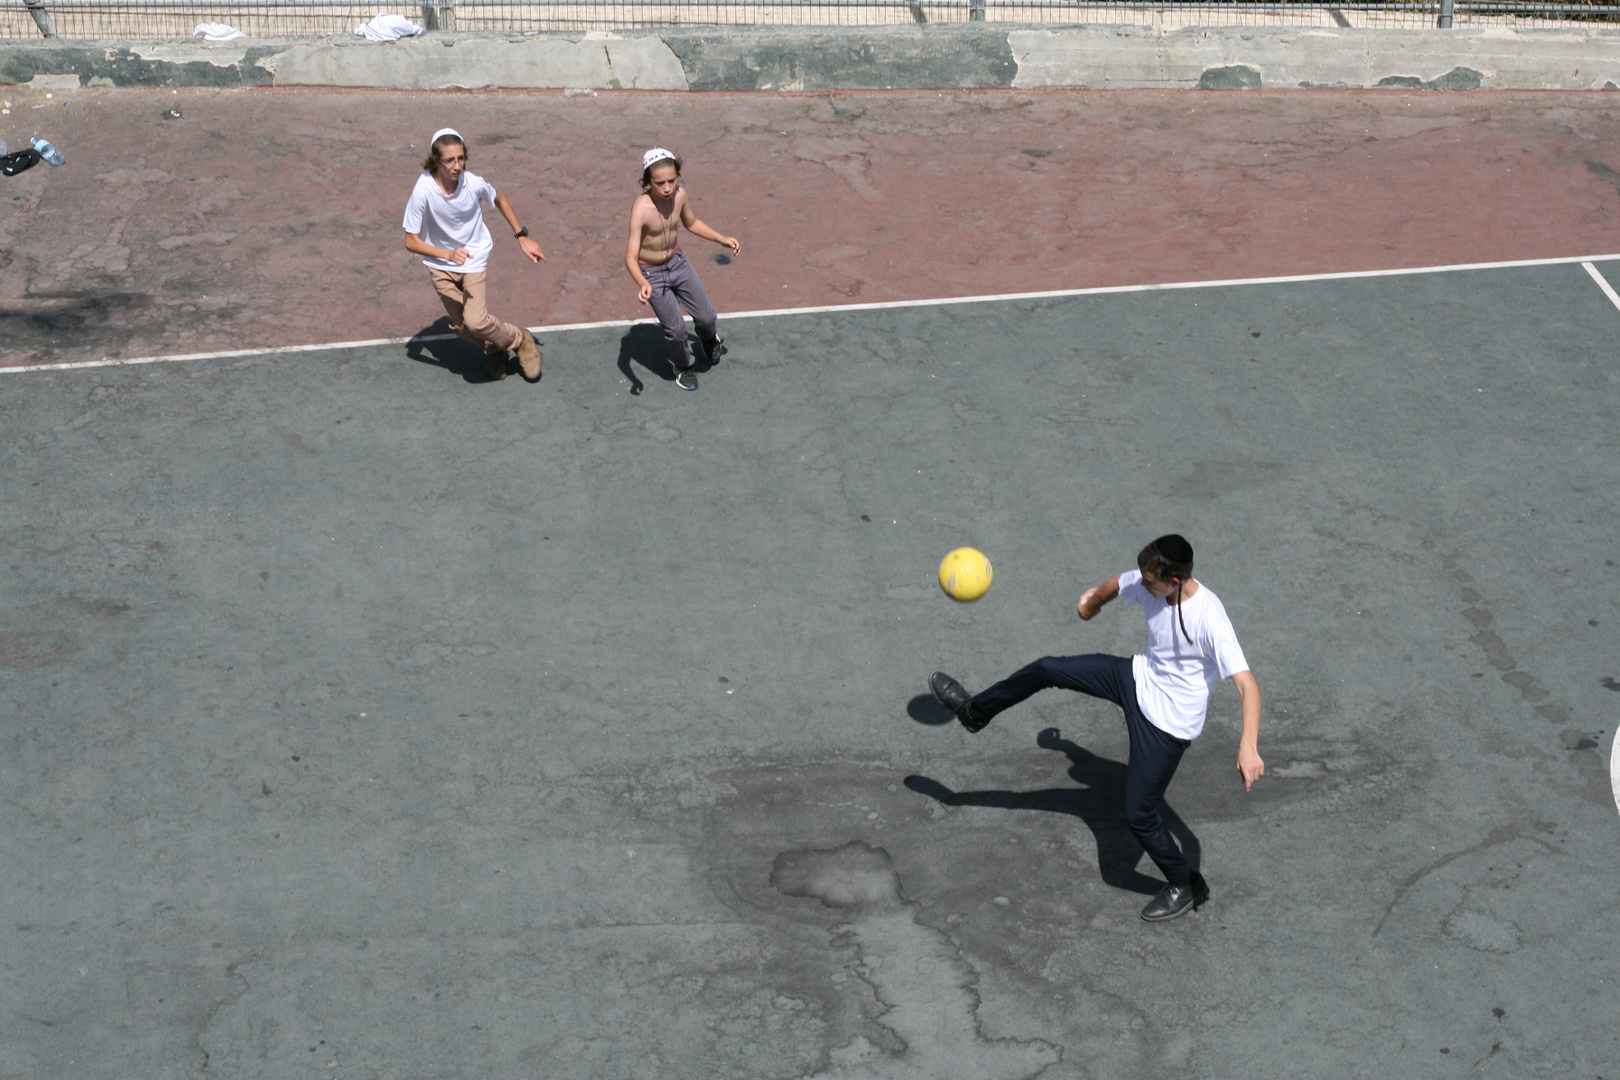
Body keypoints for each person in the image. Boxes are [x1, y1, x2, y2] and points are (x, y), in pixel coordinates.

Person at [928, 534, 1264, 922]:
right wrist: (1092, 604)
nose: (1143, 583)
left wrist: (1249, 746)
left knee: (1139, 814)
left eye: (1150, 580)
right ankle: (975, 713)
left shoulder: (1210, 620)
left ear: (1174, 581)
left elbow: (1247, 686)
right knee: (1046, 668)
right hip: (1137, 679)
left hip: (1167, 725)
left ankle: (1186, 884)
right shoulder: (1148, 579)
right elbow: (1116, 584)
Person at [403, 128, 546, 382]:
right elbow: (410, 241)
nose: (456, 166)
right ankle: (496, 350)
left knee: (476, 322)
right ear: (436, 161)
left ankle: (520, 340)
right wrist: (446, 253)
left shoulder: (473, 183)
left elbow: (499, 198)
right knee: (461, 328)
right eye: (449, 160)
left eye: (461, 158)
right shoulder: (423, 190)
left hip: (473, 257)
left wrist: (521, 236)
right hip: (440, 263)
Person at [624, 148, 740, 391]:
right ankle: (684, 365)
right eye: (660, 183)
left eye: (672, 180)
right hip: (652, 273)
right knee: (676, 331)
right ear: (647, 182)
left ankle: (709, 339)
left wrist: (721, 238)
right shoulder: (641, 210)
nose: (667, 188)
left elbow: (692, 222)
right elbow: (630, 257)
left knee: (707, 318)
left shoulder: (680, 196)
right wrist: (643, 284)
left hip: (678, 263)